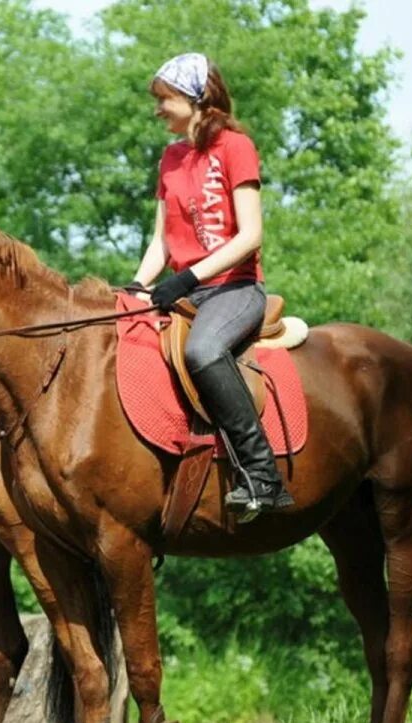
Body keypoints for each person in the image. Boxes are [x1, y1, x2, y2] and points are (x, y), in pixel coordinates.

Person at [129, 53, 293, 522]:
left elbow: (251, 235)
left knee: (202, 351)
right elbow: (162, 239)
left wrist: (189, 276)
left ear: (195, 98)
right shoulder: (171, 157)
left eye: (164, 99)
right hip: (187, 291)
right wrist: (140, 284)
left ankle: (262, 475)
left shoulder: (234, 146)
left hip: (234, 289)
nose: (158, 109)